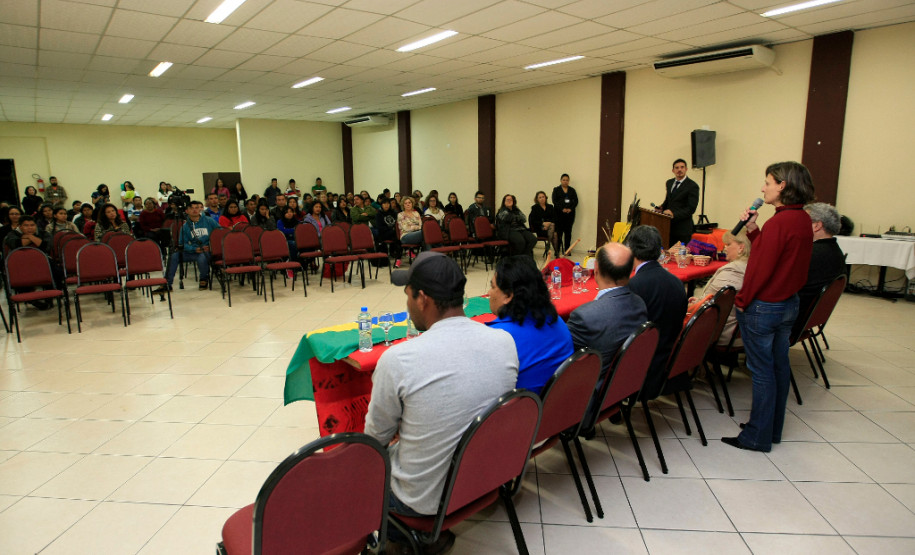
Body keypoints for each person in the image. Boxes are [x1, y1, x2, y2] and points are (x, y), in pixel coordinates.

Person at [365, 251, 518, 552]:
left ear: (422, 299)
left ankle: (395, 539)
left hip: (422, 502)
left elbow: (373, 442)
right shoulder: (503, 341)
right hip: (487, 478)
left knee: (357, 469)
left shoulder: (398, 359)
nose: (407, 305)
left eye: (408, 296)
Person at [723, 161, 815, 453]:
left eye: (768, 182)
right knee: (778, 367)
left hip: (765, 307)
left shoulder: (779, 223)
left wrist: (742, 301)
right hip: (788, 303)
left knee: (761, 372)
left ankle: (756, 436)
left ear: (782, 186)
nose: (763, 188)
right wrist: (752, 229)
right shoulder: (800, 219)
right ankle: (770, 428)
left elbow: (759, 269)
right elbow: (774, 253)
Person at [487, 255, 574, 394]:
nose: (488, 293)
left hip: (525, 412)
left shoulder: (498, 336)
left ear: (508, 295)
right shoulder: (556, 320)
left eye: (492, 286)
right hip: (563, 406)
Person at [625, 225, 687, 399]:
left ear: (631, 250)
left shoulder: (635, 286)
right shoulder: (676, 282)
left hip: (642, 370)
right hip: (668, 361)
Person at [567, 242, 648, 376]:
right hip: (624, 382)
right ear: (631, 270)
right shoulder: (639, 303)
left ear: (596, 268)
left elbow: (563, 357)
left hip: (590, 389)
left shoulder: (584, 316)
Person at [688, 230, 751, 345]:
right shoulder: (749, 266)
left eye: (728, 244)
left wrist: (696, 303)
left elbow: (709, 305)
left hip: (720, 332)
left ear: (741, 248)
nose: (724, 248)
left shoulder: (732, 271)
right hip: (738, 329)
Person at [793, 202, 846, 337]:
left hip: (793, 318)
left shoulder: (811, 254)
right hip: (809, 317)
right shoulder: (834, 251)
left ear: (817, 226)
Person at [157, 200, 221, 291]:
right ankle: (167, 283)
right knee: (174, 256)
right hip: (194, 251)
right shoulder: (185, 227)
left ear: (200, 209)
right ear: (186, 211)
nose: (194, 210)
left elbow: (220, 233)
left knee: (202, 257)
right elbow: (182, 244)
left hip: (208, 250)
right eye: (191, 208)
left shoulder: (209, 221)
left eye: (196, 208)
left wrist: (212, 246)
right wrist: (195, 249)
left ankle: (204, 279)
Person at [658, 159, 700, 247]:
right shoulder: (669, 183)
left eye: (682, 167)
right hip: (668, 227)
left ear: (686, 169)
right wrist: (661, 207)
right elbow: (668, 200)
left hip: (683, 228)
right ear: (673, 170)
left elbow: (691, 208)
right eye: (677, 168)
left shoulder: (692, 186)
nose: (679, 170)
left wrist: (674, 214)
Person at [551, 173, 578, 253]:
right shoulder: (556, 190)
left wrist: (570, 209)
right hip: (559, 214)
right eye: (564, 180)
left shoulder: (572, 190)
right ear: (561, 180)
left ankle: (567, 250)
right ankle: (557, 250)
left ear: (569, 181)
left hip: (570, 214)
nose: (565, 182)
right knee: (559, 232)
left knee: (568, 232)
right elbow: (554, 201)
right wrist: (562, 209)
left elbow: (576, 201)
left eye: (567, 180)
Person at [529, 190, 560, 258]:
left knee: (554, 231)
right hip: (540, 229)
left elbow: (555, 218)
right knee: (554, 232)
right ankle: (556, 252)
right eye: (540, 197)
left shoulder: (550, 207)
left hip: (550, 228)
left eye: (543, 197)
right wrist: (542, 223)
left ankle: (550, 247)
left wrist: (548, 223)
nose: (542, 198)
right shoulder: (535, 208)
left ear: (546, 198)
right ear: (537, 199)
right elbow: (533, 221)